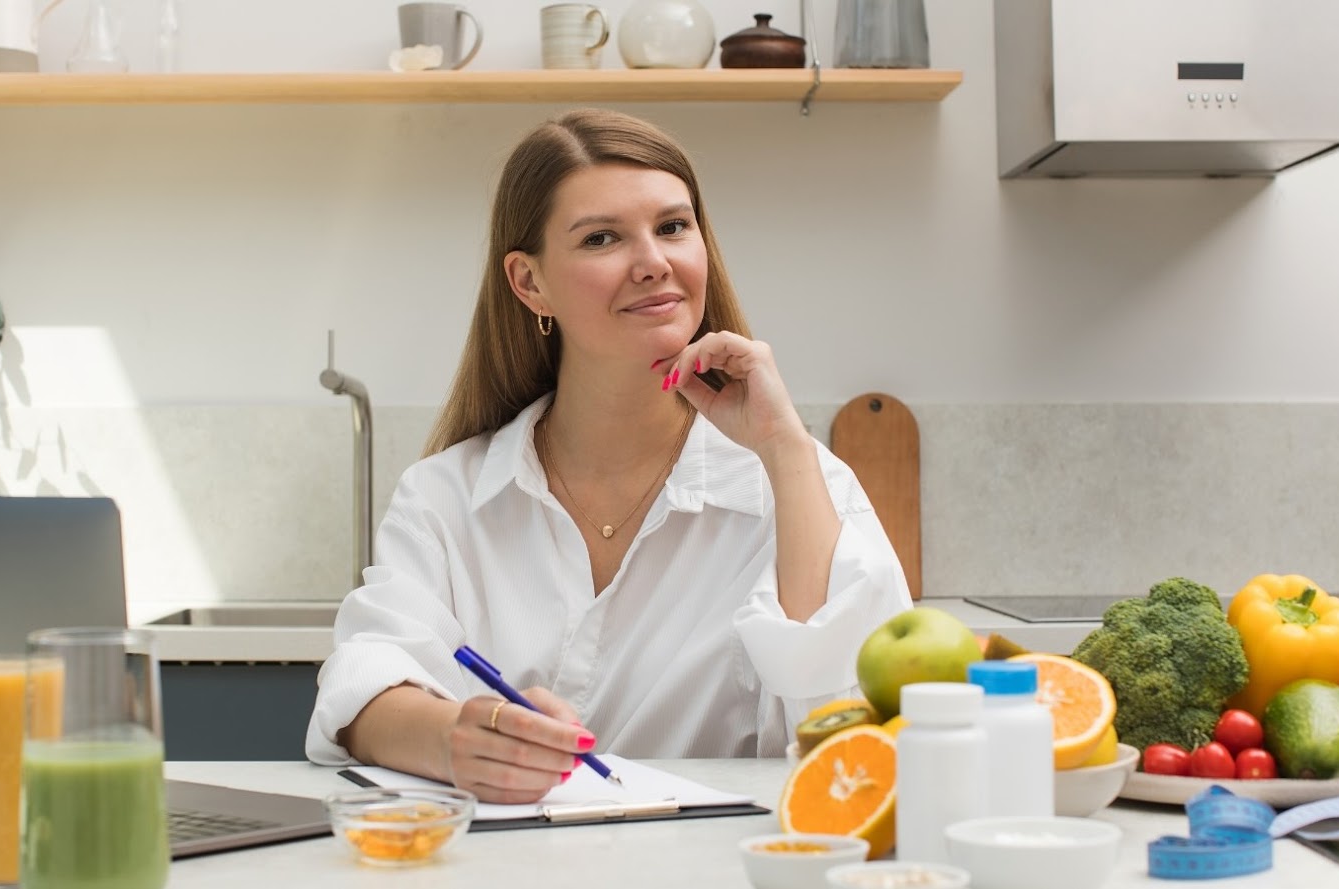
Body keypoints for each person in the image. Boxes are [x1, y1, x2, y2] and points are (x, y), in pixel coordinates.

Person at [306, 108, 911, 803]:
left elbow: (851, 725)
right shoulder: (445, 495)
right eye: (602, 238)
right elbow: (364, 680)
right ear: (530, 283)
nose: (654, 262)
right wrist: (455, 737)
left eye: (674, 227)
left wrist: (786, 448)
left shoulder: (797, 481)